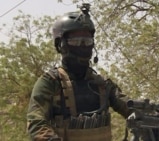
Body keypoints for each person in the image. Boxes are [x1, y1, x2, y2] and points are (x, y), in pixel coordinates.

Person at [26, 4, 132, 141]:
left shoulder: (102, 85)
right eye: (76, 41)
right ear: (60, 45)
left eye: (87, 41)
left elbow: (130, 108)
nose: (83, 46)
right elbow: (35, 123)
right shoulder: (50, 82)